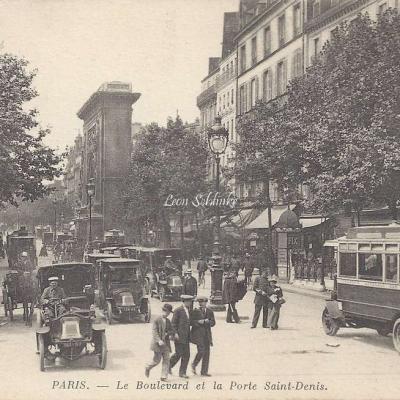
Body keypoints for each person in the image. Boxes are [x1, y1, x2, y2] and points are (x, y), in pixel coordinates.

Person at [145, 303, 174, 381]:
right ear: (162, 311)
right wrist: (159, 340)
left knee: (166, 359)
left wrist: (169, 333)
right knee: (157, 361)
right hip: (157, 344)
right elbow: (154, 332)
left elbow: (171, 330)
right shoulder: (157, 320)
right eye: (165, 311)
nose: (167, 314)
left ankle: (163, 376)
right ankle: (148, 367)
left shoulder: (168, 321)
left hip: (166, 344)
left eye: (168, 312)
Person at [169, 294, 193, 378]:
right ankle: (168, 366)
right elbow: (173, 324)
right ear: (184, 301)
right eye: (188, 301)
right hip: (179, 336)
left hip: (186, 336)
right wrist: (175, 333)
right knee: (178, 354)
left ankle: (182, 373)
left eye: (190, 301)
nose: (190, 303)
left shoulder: (189, 310)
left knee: (187, 355)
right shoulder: (178, 310)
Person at [190, 296, 215, 377]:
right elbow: (191, 322)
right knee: (201, 351)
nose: (201, 304)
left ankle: (204, 371)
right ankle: (194, 364)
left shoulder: (210, 311)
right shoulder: (195, 311)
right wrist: (198, 322)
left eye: (203, 302)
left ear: (206, 303)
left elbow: (213, 322)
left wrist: (207, 322)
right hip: (198, 334)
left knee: (207, 353)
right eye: (200, 302)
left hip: (207, 335)